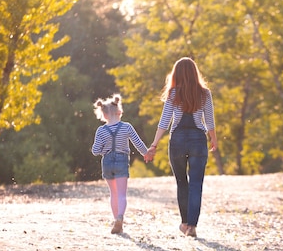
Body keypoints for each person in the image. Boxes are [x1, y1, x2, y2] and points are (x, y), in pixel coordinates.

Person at [145, 57, 217, 238]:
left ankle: (184, 223)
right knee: (196, 184)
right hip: (198, 140)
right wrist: (214, 139)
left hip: (177, 140)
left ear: (176, 73)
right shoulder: (205, 94)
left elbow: (164, 121)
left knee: (181, 182)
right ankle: (192, 226)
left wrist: (154, 144)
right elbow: (209, 121)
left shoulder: (173, 93)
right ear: (195, 72)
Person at [92, 94, 149, 234]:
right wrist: (146, 153)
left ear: (104, 115)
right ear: (120, 112)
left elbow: (95, 150)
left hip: (107, 162)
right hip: (122, 160)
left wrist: (105, 149)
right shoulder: (126, 127)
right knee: (122, 194)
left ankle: (115, 220)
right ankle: (120, 218)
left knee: (113, 193)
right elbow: (138, 143)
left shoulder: (101, 130)